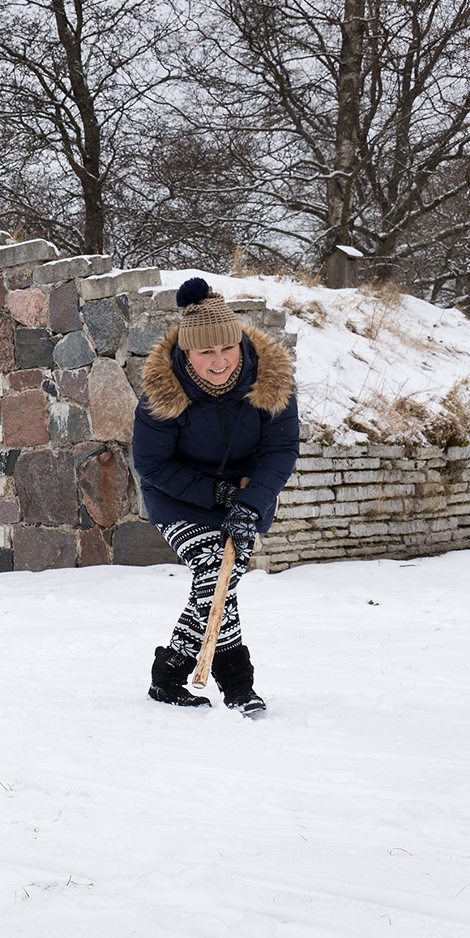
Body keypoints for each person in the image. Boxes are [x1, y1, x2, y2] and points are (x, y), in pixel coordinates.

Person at [133, 277, 298, 715]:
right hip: (178, 496)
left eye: (227, 348)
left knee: (220, 580)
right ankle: (237, 684)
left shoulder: (271, 380)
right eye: (206, 352)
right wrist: (215, 491)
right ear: (187, 353)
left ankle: (170, 673)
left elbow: (281, 449)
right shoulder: (163, 392)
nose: (220, 361)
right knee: (213, 567)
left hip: (246, 497)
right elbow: (152, 465)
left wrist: (251, 502)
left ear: (240, 343)